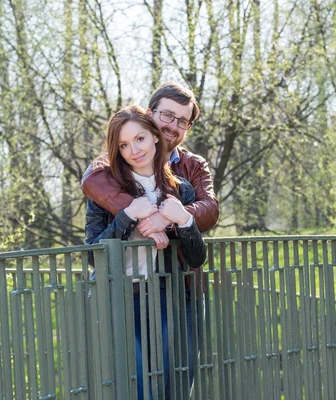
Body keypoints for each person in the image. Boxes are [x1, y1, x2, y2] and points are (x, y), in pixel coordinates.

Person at [84, 105, 206, 400]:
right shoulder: (107, 190)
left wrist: (184, 219)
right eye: (124, 145)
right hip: (119, 297)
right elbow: (92, 253)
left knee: (167, 383)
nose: (134, 150)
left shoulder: (181, 189)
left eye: (139, 139)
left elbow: (196, 258)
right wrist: (127, 215)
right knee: (135, 384)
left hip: (163, 295)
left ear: (154, 136)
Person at [82, 82, 219, 236]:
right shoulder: (121, 158)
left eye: (182, 121)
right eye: (167, 115)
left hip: (175, 259)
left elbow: (210, 209)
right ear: (149, 115)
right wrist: (142, 218)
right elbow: (91, 180)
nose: (173, 126)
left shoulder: (194, 165)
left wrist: (167, 219)